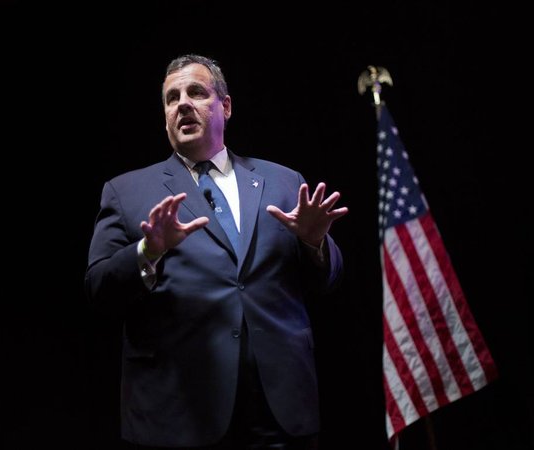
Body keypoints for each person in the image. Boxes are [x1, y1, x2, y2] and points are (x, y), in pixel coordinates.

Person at [85, 54, 348, 450]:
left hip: (279, 410)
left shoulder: (282, 181)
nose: (183, 104)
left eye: (196, 92)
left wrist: (315, 243)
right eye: (172, 98)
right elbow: (99, 289)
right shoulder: (127, 192)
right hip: (180, 410)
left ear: (225, 106)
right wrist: (147, 251)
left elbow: (325, 283)